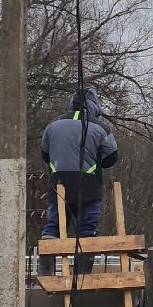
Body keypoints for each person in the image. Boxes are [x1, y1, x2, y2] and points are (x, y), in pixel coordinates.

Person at [38, 87, 118, 273]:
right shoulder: (99, 127)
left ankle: (46, 271)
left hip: (58, 182)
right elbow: (111, 157)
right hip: (87, 183)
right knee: (88, 227)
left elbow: (45, 153)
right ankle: (82, 273)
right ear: (94, 106)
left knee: (55, 223)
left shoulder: (54, 124)